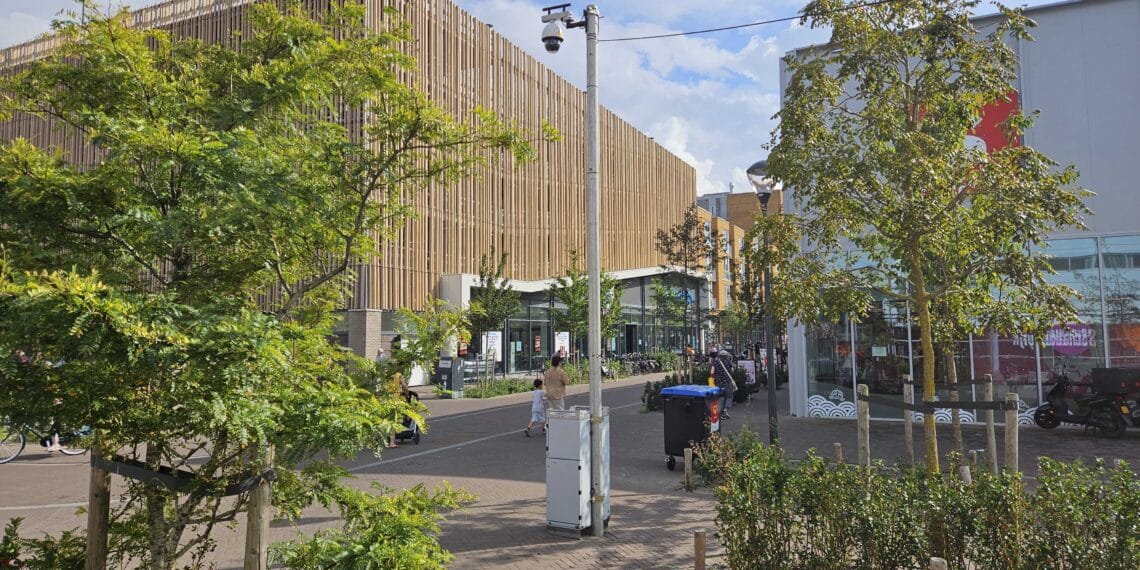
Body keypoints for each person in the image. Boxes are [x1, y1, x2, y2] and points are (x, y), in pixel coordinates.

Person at [713, 350, 736, 419]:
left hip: (718, 382)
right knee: (729, 396)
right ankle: (725, 410)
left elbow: (712, 372)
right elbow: (733, 371)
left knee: (720, 396)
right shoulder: (729, 362)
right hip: (727, 382)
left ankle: (720, 411)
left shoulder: (715, 362)